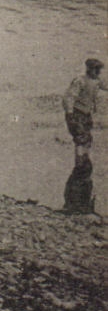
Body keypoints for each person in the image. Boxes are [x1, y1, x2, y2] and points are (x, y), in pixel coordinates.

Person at [62, 58, 103, 215]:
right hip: (77, 114)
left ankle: (83, 159)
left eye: (99, 70)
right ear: (89, 69)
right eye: (95, 69)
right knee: (81, 138)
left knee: (86, 139)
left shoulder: (96, 81)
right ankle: (80, 161)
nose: (97, 72)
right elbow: (69, 97)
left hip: (86, 115)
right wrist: (70, 113)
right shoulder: (80, 81)